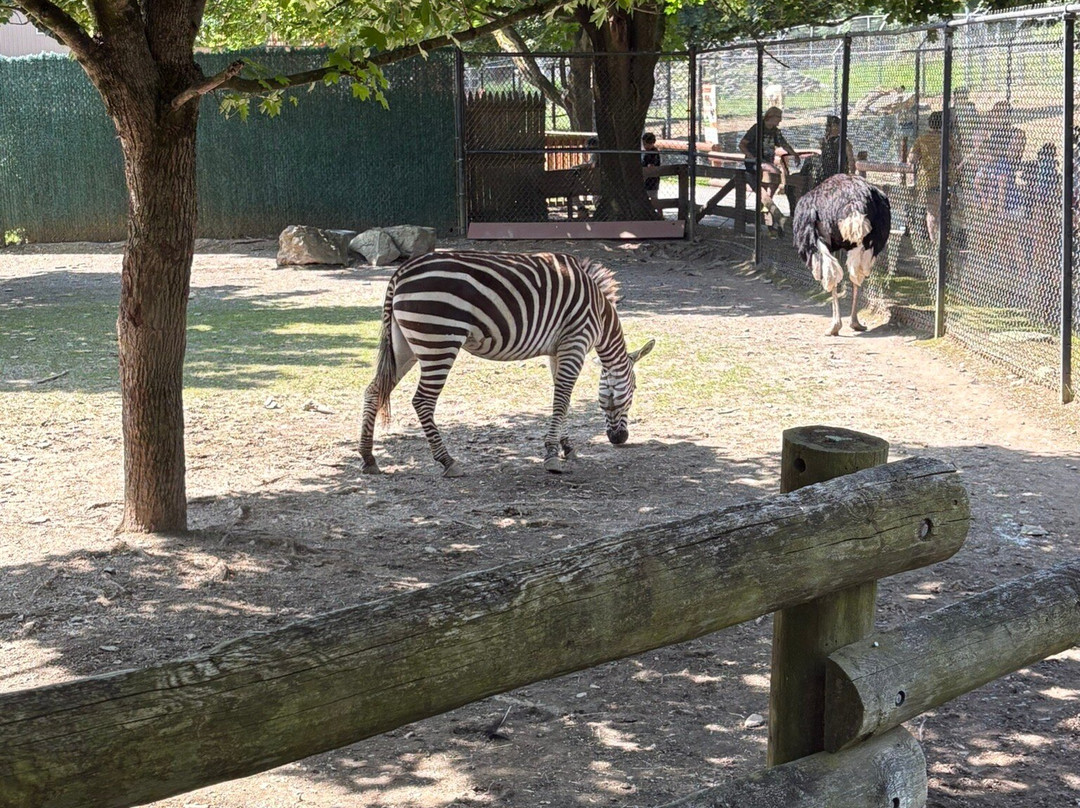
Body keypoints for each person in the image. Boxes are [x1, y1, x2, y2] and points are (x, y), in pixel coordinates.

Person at [739, 106, 801, 235]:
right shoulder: (757, 128)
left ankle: (767, 201)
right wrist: (752, 158)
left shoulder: (775, 132)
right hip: (754, 162)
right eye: (778, 118)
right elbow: (742, 144)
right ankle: (768, 201)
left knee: (772, 179)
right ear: (771, 117)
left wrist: (794, 154)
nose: (780, 121)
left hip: (767, 161)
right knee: (775, 172)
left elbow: (784, 144)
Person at [908, 110, 946, 243]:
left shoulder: (922, 139)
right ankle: (942, 239)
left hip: (929, 180)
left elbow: (912, 158)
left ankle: (934, 240)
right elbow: (957, 157)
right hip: (946, 180)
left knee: (932, 212)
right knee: (943, 211)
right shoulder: (948, 139)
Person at [641, 131, 662, 209]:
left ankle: (660, 215)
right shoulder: (648, 152)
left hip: (651, 179)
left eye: (647, 144)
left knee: (653, 197)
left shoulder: (652, 153)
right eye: (644, 144)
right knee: (653, 197)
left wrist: (644, 178)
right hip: (651, 179)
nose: (645, 146)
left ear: (652, 143)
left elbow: (650, 167)